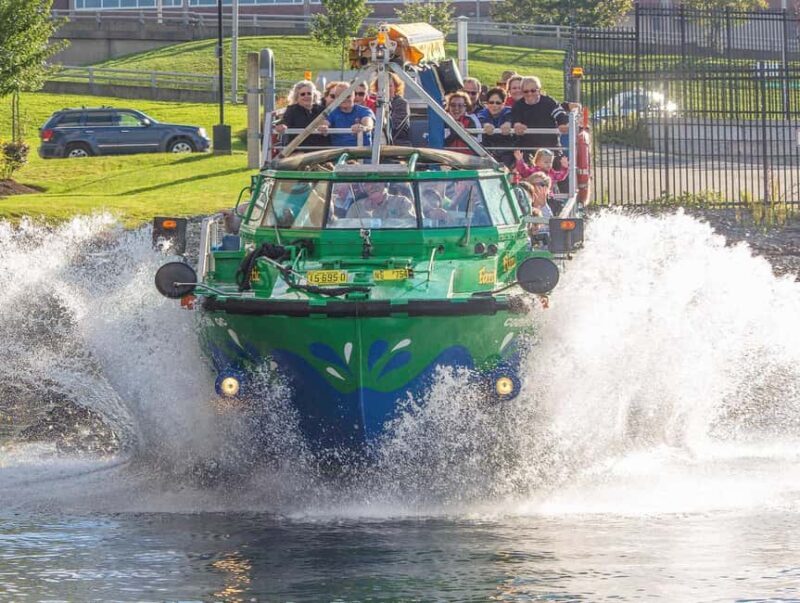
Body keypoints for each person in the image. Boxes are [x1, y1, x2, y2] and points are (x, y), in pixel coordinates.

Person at [506, 76, 569, 154]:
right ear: (522, 92)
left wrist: (562, 124)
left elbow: (560, 114)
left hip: (550, 147)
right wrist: (517, 125)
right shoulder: (518, 105)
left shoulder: (549, 102)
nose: (530, 94)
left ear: (539, 90)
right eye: (526, 91)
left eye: (533, 91)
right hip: (527, 148)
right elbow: (515, 119)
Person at [274, 80, 328, 151]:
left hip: (318, 149)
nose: (306, 96)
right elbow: (285, 121)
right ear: (297, 97)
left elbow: (327, 123)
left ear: (314, 95)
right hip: (299, 149)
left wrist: (325, 127)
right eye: (303, 94)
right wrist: (281, 125)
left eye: (309, 93)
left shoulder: (321, 109)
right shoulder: (292, 110)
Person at [475, 87, 514, 167]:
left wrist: (508, 123)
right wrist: (486, 124)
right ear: (487, 103)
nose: (494, 105)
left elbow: (511, 116)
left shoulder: (509, 111)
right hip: (488, 153)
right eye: (491, 102)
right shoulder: (483, 113)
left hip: (507, 154)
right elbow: (481, 117)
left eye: (498, 103)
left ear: (504, 103)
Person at [345, 181, 416, 223]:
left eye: (376, 181)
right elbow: (346, 230)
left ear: (385, 183)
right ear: (363, 188)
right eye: (367, 183)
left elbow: (410, 225)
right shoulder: (356, 207)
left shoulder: (402, 202)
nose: (372, 187)